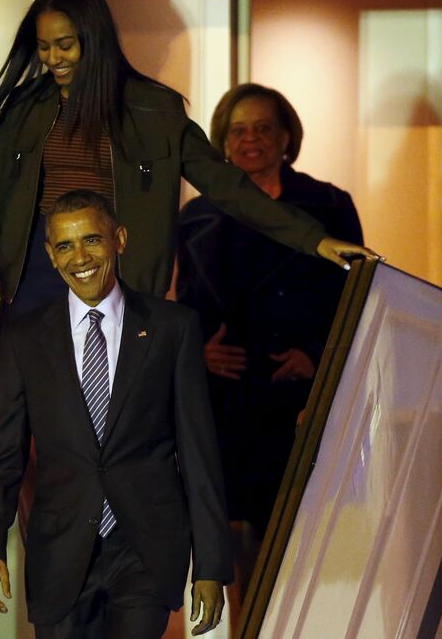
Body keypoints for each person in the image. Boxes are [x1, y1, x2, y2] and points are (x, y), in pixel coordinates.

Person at [0, 0, 373, 358]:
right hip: (39, 278)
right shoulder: (24, 111)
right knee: (27, 426)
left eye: (65, 45)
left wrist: (315, 240)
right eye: (43, 47)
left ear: (94, 40)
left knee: (115, 426)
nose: (52, 58)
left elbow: (228, 187)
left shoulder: (155, 110)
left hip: (121, 280)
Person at [0, 190, 231, 638]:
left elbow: (199, 456)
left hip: (145, 548)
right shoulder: (26, 337)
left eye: (92, 240)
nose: (80, 257)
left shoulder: (173, 328)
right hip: (60, 552)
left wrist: (210, 566)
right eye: (66, 246)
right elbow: (2, 454)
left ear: (120, 240)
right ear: (51, 257)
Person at [176, 83, 365, 596]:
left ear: (286, 136)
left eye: (263, 128)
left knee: (302, 540)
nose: (250, 139)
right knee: (232, 545)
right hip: (226, 401)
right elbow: (182, 308)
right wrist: (198, 353)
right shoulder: (196, 216)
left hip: (301, 397)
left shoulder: (329, 206)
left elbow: (356, 297)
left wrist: (317, 356)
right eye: (238, 130)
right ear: (223, 141)